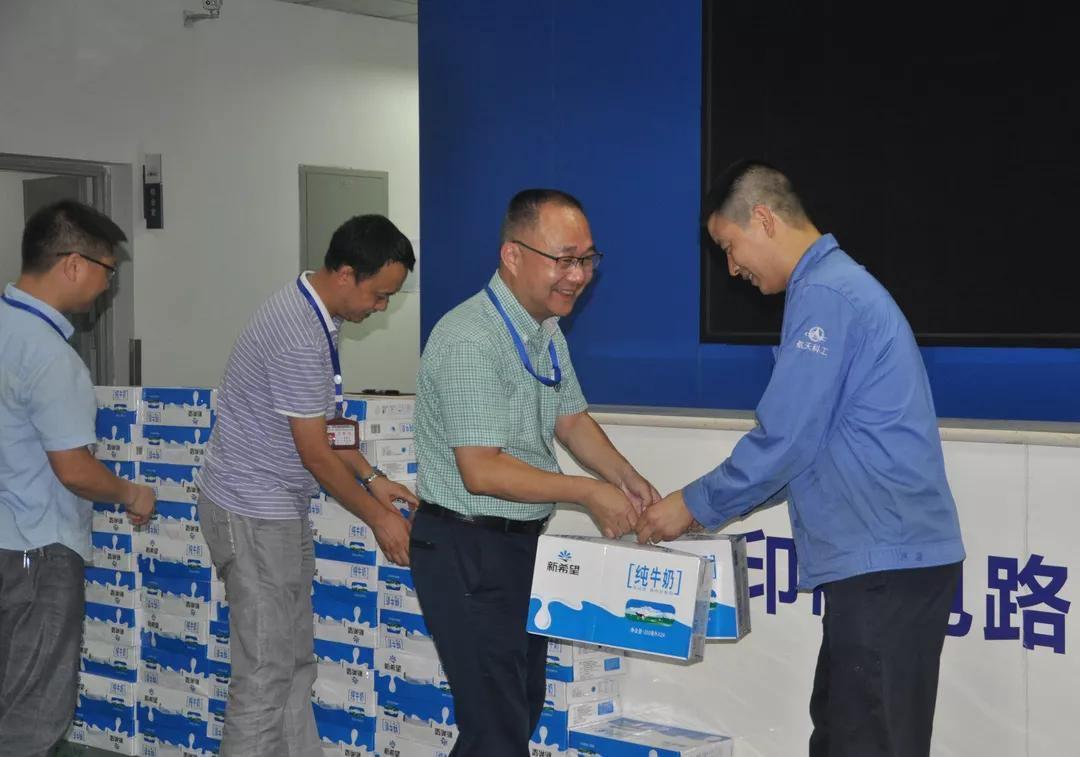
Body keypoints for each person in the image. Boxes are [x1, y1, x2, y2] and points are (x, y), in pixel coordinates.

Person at [635, 160, 965, 757]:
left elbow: (785, 439)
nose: (731, 268)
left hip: (885, 570)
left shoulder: (826, 294)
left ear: (763, 218)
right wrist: (700, 510)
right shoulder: (831, 289)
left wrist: (691, 505)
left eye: (728, 248)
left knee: (866, 741)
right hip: (878, 569)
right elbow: (804, 449)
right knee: (842, 735)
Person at [411, 188, 659, 756]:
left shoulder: (543, 331)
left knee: (515, 709)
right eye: (564, 259)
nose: (578, 275)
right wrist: (587, 492)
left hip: (519, 547)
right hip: (466, 548)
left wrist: (624, 478)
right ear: (513, 255)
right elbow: (481, 471)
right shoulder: (471, 337)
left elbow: (570, 419)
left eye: (587, 259)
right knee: (497, 727)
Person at [195, 214, 418, 757]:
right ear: (345, 274)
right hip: (253, 511)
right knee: (265, 675)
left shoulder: (315, 316)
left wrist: (373, 478)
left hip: (277, 508)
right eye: (380, 294)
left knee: (293, 666)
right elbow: (315, 455)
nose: (382, 307)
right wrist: (380, 519)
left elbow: (325, 429)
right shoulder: (298, 333)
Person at [0, 200, 156, 757]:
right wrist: (132, 492)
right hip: (35, 553)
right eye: (107, 270)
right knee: (31, 712)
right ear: (72, 264)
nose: (107, 285)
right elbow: (73, 469)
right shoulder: (49, 355)